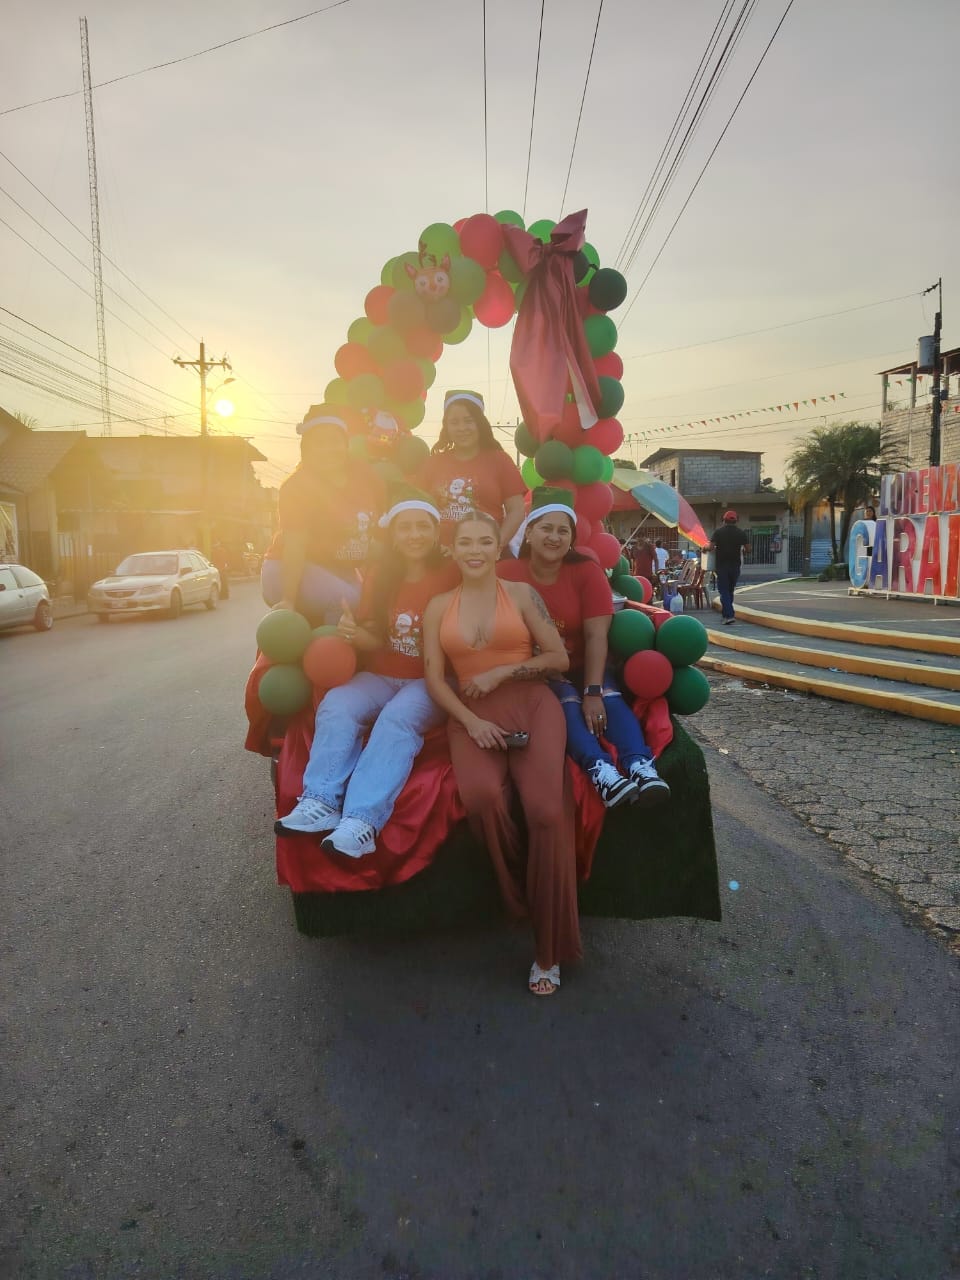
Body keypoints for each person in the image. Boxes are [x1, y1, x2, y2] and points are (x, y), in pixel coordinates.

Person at [422, 510, 579, 997]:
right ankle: (519, 894)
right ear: (452, 549)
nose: (475, 550)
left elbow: (559, 658)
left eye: (484, 541)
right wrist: (471, 722)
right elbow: (434, 679)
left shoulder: (521, 594)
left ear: (498, 547)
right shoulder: (437, 606)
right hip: (471, 716)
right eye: (465, 542)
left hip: (532, 705)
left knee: (546, 811)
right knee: (483, 798)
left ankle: (548, 950)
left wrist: (503, 673)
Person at [277, 492, 457, 856]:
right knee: (338, 703)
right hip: (382, 674)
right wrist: (356, 633)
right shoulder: (381, 575)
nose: (414, 534)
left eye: (423, 526)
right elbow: (377, 636)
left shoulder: (453, 572)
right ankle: (321, 800)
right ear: (393, 535)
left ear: (436, 530)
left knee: (397, 719)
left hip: (431, 679)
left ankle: (361, 820)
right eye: (405, 527)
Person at [500, 489, 669, 808]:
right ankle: (600, 770)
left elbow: (595, 636)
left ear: (572, 538)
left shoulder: (587, 571)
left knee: (608, 695)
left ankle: (640, 766)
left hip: (585, 661)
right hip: (537, 671)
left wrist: (592, 691)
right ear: (529, 533)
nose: (554, 537)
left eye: (563, 530)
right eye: (546, 528)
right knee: (565, 699)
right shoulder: (506, 574)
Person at [261, 405, 386, 625]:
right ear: (306, 448)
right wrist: (288, 600)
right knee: (347, 600)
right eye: (319, 442)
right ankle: (329, 645)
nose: (328, 449)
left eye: (334, 441)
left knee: (369, 602)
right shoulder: (296, 487)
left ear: (345, 444)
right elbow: (295, 545)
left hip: (338, 569)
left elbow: (384, 519)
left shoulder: (363, 474)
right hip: (287, 570)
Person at [416, 390, 526, 554]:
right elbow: (419, 509)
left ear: (480, 424)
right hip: (439, 555)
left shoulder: (500, 460)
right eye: (454, 422)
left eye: (468, 421)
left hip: (486, 557)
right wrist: (433, 546)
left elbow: (516, 511)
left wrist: (495, 545)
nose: (462, 428)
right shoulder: (432, 463)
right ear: (446, 427)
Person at [709, 510, 751, 625]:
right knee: (730, 590)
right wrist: (743, 551)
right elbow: (748, 549)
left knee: (724, 591)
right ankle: (726, 615)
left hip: (722, 566)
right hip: (735, 566)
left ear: (724, 520)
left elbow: (711, 547)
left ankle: (729, 615)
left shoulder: (718, 532)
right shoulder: (741, 533)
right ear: (736, 521)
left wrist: (704, 548)